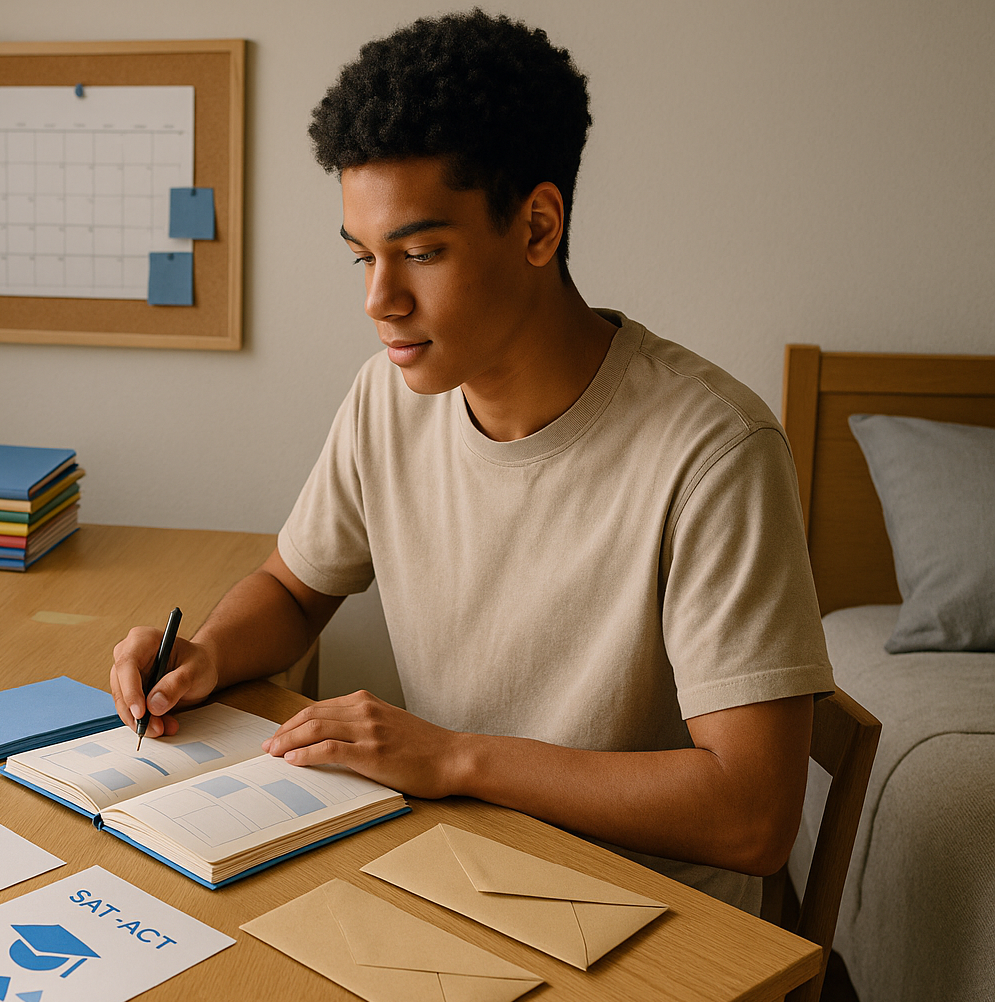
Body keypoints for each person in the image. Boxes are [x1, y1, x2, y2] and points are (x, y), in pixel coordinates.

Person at [108, 9, 834, 912]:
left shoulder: (713, 452)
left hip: (643, 914)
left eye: (419, 253)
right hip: (450, 859)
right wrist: (207, 652)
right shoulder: (389, 394)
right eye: (362, 257)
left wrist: (452, 756)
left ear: (537, 227)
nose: (381, 300)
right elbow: (295, 590)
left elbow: (753, 817)